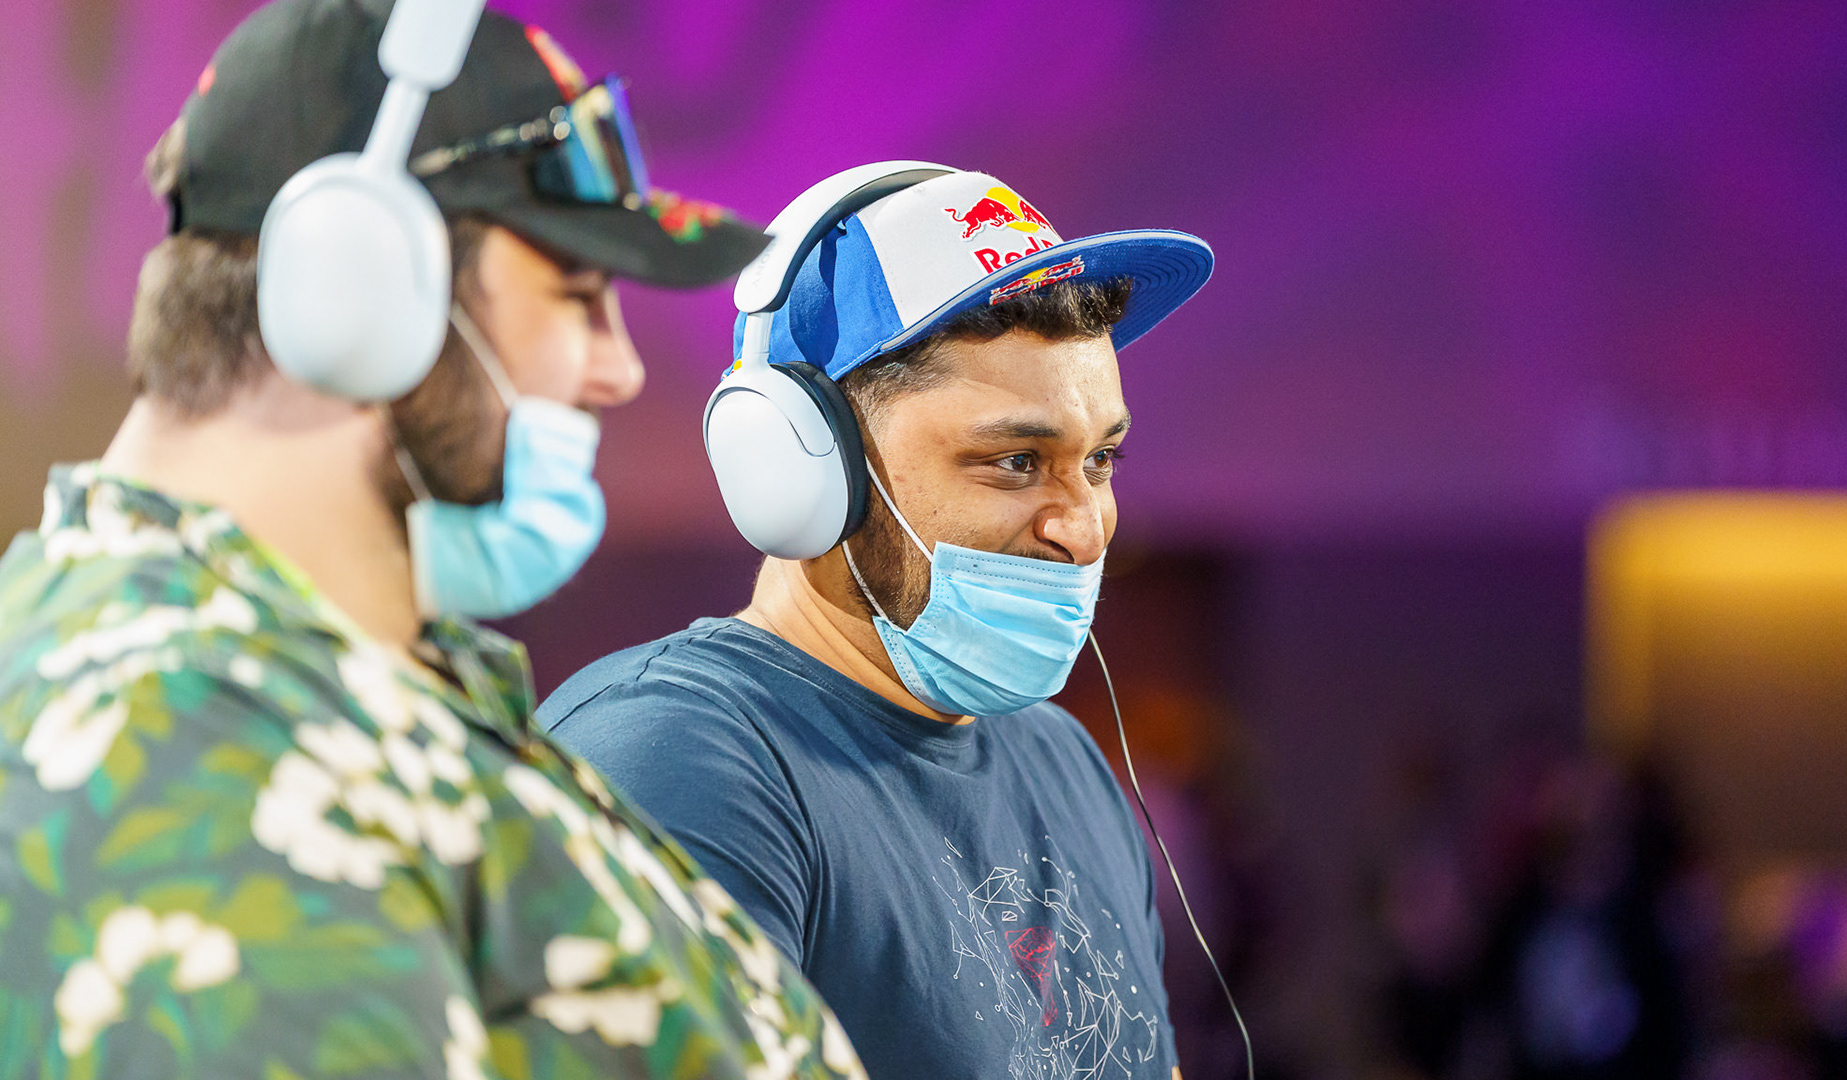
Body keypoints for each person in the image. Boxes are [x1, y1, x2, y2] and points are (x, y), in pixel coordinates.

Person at [0, 1, 863, 1076]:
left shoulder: (318, 671)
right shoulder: (178, 746)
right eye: (577, 295)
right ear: (351, 291)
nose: (621, 368)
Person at [542, 166, 1213, 1079]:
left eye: (1100, 462)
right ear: (804, 465)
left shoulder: (1065, 763)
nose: (1085, 527)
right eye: (1017, 461)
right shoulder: (673, 763)